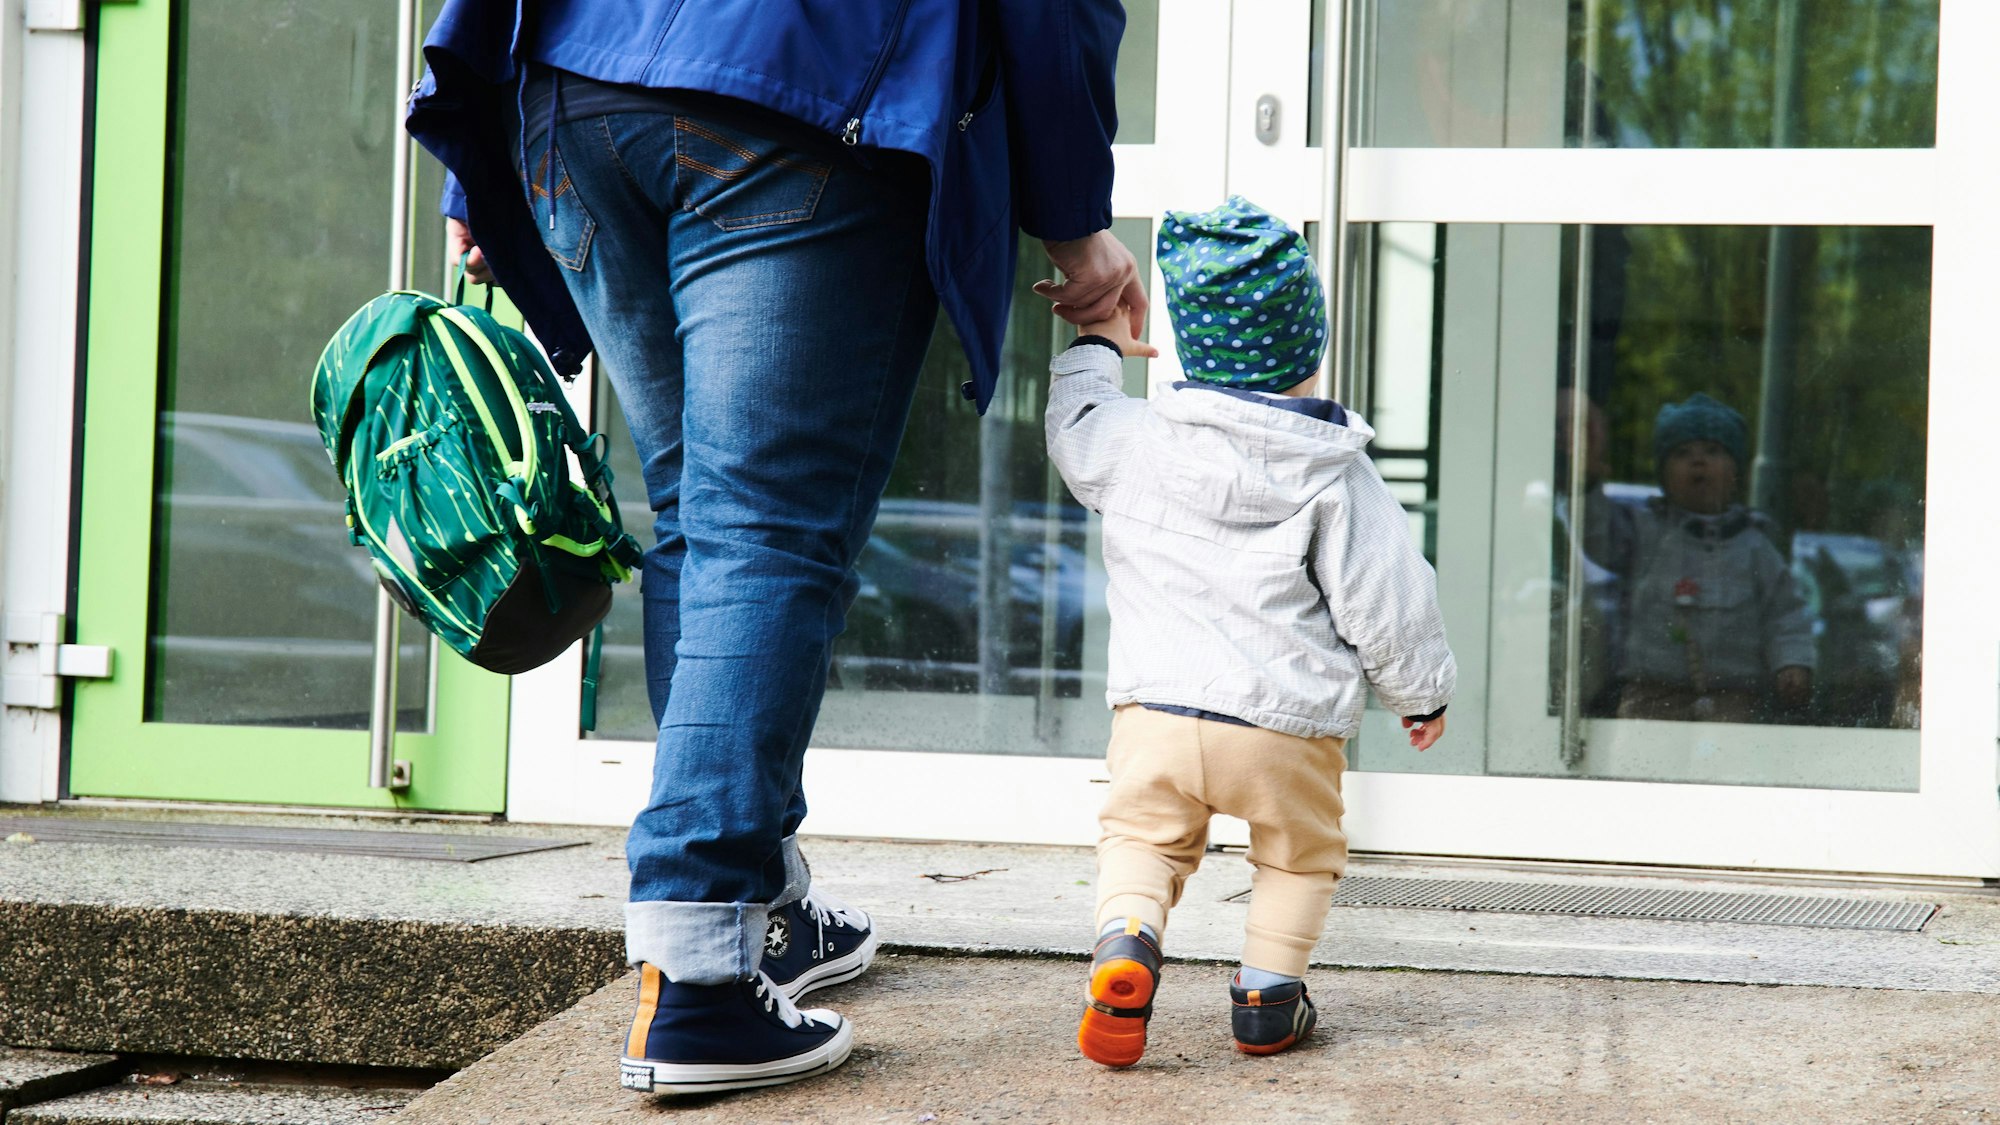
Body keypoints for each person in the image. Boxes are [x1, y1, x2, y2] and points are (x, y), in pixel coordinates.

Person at [404, 0, 1147, 1095]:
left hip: (577, 93)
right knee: (761, 533)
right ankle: (699, 972)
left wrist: (476, 157)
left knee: (708, 522)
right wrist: (1074, 213)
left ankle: (759, 909)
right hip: (798, 94)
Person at [1043, 197, 1457, 1067]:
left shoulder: (1142, 442)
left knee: (1139, 841)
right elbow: (1387, 599)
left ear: (1195, 347)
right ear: (1310, 346)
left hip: (1156, 714)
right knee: (1300, 857)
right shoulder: (1336, 473)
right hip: (1283, 727)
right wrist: (1420, 692)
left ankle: (1126, 939)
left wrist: (1098, 348)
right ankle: (1267, 996)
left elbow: (1076, 432)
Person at [1586, 393, 1816, 722]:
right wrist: (1588, 481)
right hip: (1651, 695)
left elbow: (1785, 614)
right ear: (1663, 475)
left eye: (1713, 451)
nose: (1698, 461)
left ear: (1736, 472)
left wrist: (1792, 662)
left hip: (1734, 700)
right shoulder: (1643, 532)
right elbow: (1595, 535)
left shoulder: (1755, 545)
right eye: (1682, 453)